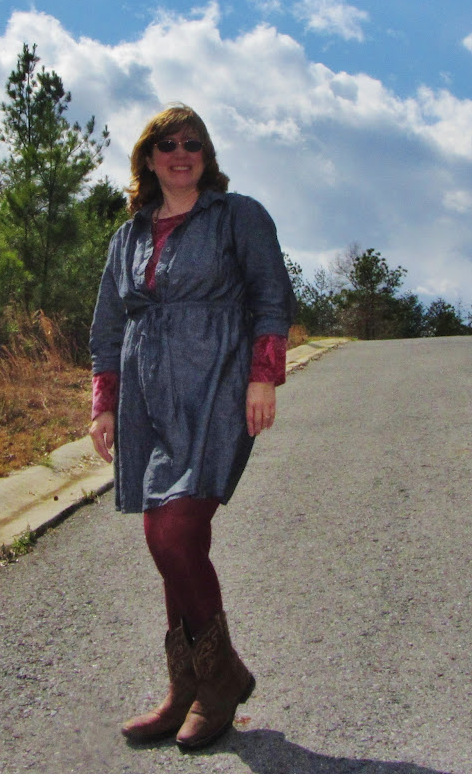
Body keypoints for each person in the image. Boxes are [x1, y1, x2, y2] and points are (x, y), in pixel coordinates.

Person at [89, 104, 296, 750]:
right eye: (168, 144)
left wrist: (263, 375)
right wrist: (104, 403)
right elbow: (107, 326)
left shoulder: (239, 216)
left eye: (193, 143)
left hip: (217, 390)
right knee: (171, 539)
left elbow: (271, 296)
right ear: (148, 159)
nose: (181, 153)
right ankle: (190, 685)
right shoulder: (127, 237)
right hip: (147, 402)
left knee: (172, 531)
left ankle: (221, 678)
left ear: (206, 155)